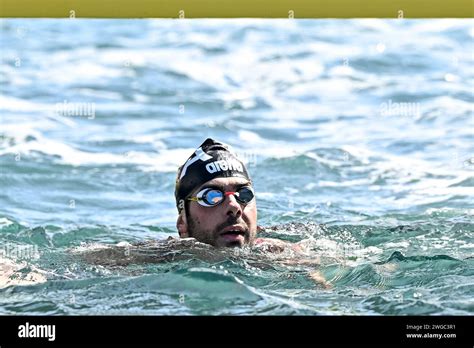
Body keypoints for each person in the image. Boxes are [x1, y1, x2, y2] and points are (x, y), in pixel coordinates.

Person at [174, 138, 300, 252]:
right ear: (182, 223)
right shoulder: (162, 259)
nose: (234, 206)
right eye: (211, 196)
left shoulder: (290, 255)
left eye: (244, 194)